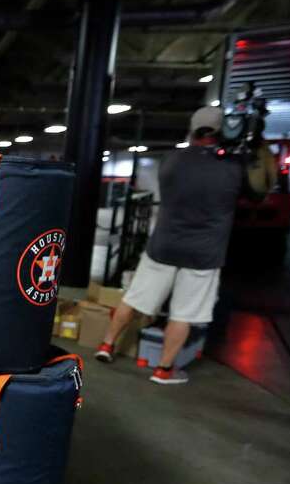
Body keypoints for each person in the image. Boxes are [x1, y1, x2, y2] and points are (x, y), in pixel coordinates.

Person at [94, 106, 244, 385]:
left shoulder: (172, 161)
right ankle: (163, 370)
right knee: (183, 314)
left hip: (164, 246)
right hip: (204, 254)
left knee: (134, 299)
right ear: (222, 132)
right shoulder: (234, 168)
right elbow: (256, 191)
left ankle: (106, 345)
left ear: (192, 129)